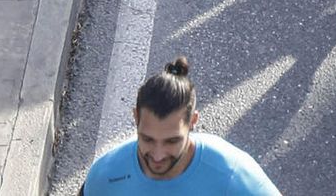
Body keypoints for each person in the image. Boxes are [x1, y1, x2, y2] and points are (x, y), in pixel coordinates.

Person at [82, 56, 282, 194]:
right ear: (136, 118)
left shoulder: (233, 173)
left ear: (193, 122)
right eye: (148, 139)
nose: (158, 155)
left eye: (172, 141)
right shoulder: (106, 175)